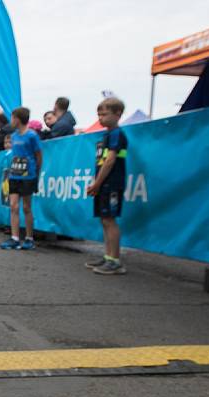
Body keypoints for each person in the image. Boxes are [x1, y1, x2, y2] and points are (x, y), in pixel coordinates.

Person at [86, 97, 128, 275]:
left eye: (104, 114)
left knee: (110, 220)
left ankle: (115, 260)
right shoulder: (107, 135)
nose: (101, 118)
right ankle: (108, 256)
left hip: (111, 183)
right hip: (104, 184)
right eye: (99, 114)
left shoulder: (117, 134)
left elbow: (110, 161)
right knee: (104, 220)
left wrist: (97, 182)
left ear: (117, 114)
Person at [0, 106, 42, 251]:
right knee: (13, 206)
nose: (11, 120)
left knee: (26, 207)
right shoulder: (14, 136)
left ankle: (29, 238)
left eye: (12, 118)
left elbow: (38, 156)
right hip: (14, 174)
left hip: (28, 175)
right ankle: (15, 238)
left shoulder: (32, 136)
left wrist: (36, 172)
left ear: (18, 119)